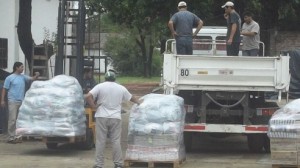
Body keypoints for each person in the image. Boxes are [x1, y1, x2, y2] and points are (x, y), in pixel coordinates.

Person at [85, 70, 140, 168]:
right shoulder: (121, 88)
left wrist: (93, 106)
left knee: (100, 141)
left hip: (101, 116)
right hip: (115, 117)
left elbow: (88, 96)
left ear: (105, 78)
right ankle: (118, 164)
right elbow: (132, 98)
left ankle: (99, 165)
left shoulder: (100, 86)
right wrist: (140, 103)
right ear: (115, 78)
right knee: (115, 141)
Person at [1, 62, 40, 144]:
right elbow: (4, 89)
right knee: (12, 119)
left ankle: (18, 137)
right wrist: (2, 100)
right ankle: (11, 137)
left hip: (21, 101)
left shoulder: (23, 77)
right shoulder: (10, 78)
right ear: (16, 68)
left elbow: (31, 79)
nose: (22, 69)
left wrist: (36, 75)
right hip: (12, 101)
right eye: (21, 67)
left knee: (19, 120)